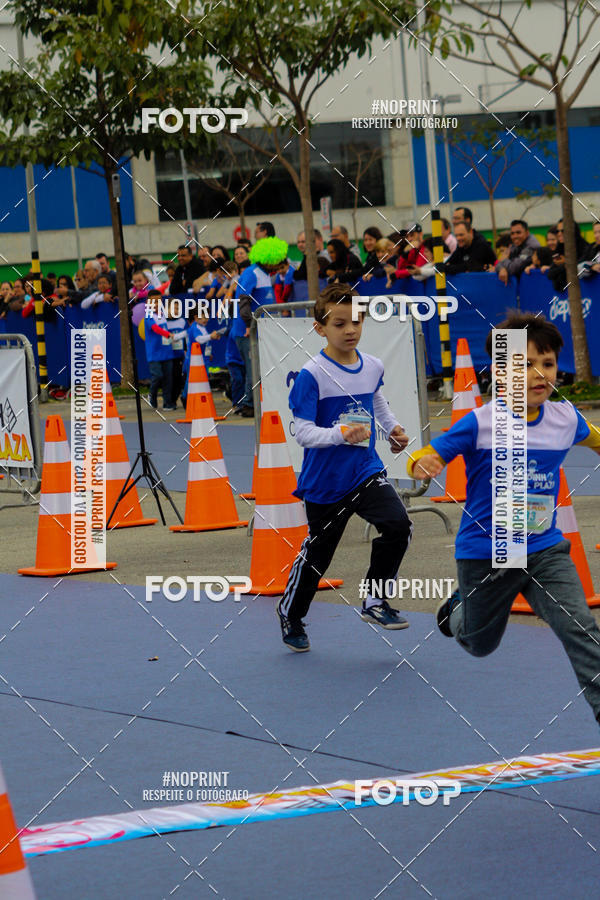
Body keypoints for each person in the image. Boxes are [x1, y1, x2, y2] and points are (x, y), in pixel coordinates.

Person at [409, 311, 600, 727]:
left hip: (545, 548)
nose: (538, 374)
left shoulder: (565, 418)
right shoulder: (482, 422)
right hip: (488, 554)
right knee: (478, 643)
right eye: (524, 364)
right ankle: (455, 610)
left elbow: (595, 439)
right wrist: (425, 463)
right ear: (499, 371)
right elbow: (432, 451)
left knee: (582, 629)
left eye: (547, 363)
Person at [276, 284, 412, 652]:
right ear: (320, 328)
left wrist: (393, 429)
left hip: (365, 469)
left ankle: (374, 600)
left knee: (398, 525)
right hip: (324, 481)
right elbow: (303, 432)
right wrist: (340, 434)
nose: (350, 329)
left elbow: (377, 400)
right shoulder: (311, 374)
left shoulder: (372, 365)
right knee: (319, 554)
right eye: (339, 323)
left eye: (356, 321)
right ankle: (292, 613)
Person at [233, 237, 288, 417]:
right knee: (253, 369)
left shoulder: (264, 275)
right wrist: (250, 325)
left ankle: (256, 402)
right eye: (277, 260)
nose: (279, 264)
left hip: (260, 331)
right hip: (248, 331)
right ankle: (249, 405)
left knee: (259, 368)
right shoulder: (252, 273)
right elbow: (243, 300)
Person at [181, 305, 223, 409]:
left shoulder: (202, 327)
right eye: (202, 317)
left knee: (204, 378)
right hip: (194, 360)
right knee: (191, 380)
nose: (205, 319)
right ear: (195, 318)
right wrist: (210, 336)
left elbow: (205, 342)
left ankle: (201, 398)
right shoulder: (194, 327)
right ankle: (185, 397)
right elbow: (199, 339)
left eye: (206, 317)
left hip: (204, 359)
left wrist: (210, 353)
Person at [144, 293, 175, 410]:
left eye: (159, 301)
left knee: (168, 379)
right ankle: (152, 395)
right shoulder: (148, 316)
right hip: (154, 354)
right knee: (157, 376)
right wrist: (168, 334)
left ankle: (168, 403)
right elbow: (155, 328)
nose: (156, 304)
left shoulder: (164, 315)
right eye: (153, 301)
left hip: (167, 352)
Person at [496, 220, 540, 284]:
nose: (515, 236)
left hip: (534, 285)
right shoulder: (516, 244)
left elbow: (514, 268)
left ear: (527, 233)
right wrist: (501, 269)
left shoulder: (532, 246)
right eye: (512, 233)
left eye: (518, 232)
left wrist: (505, 260)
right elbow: (498, 264)